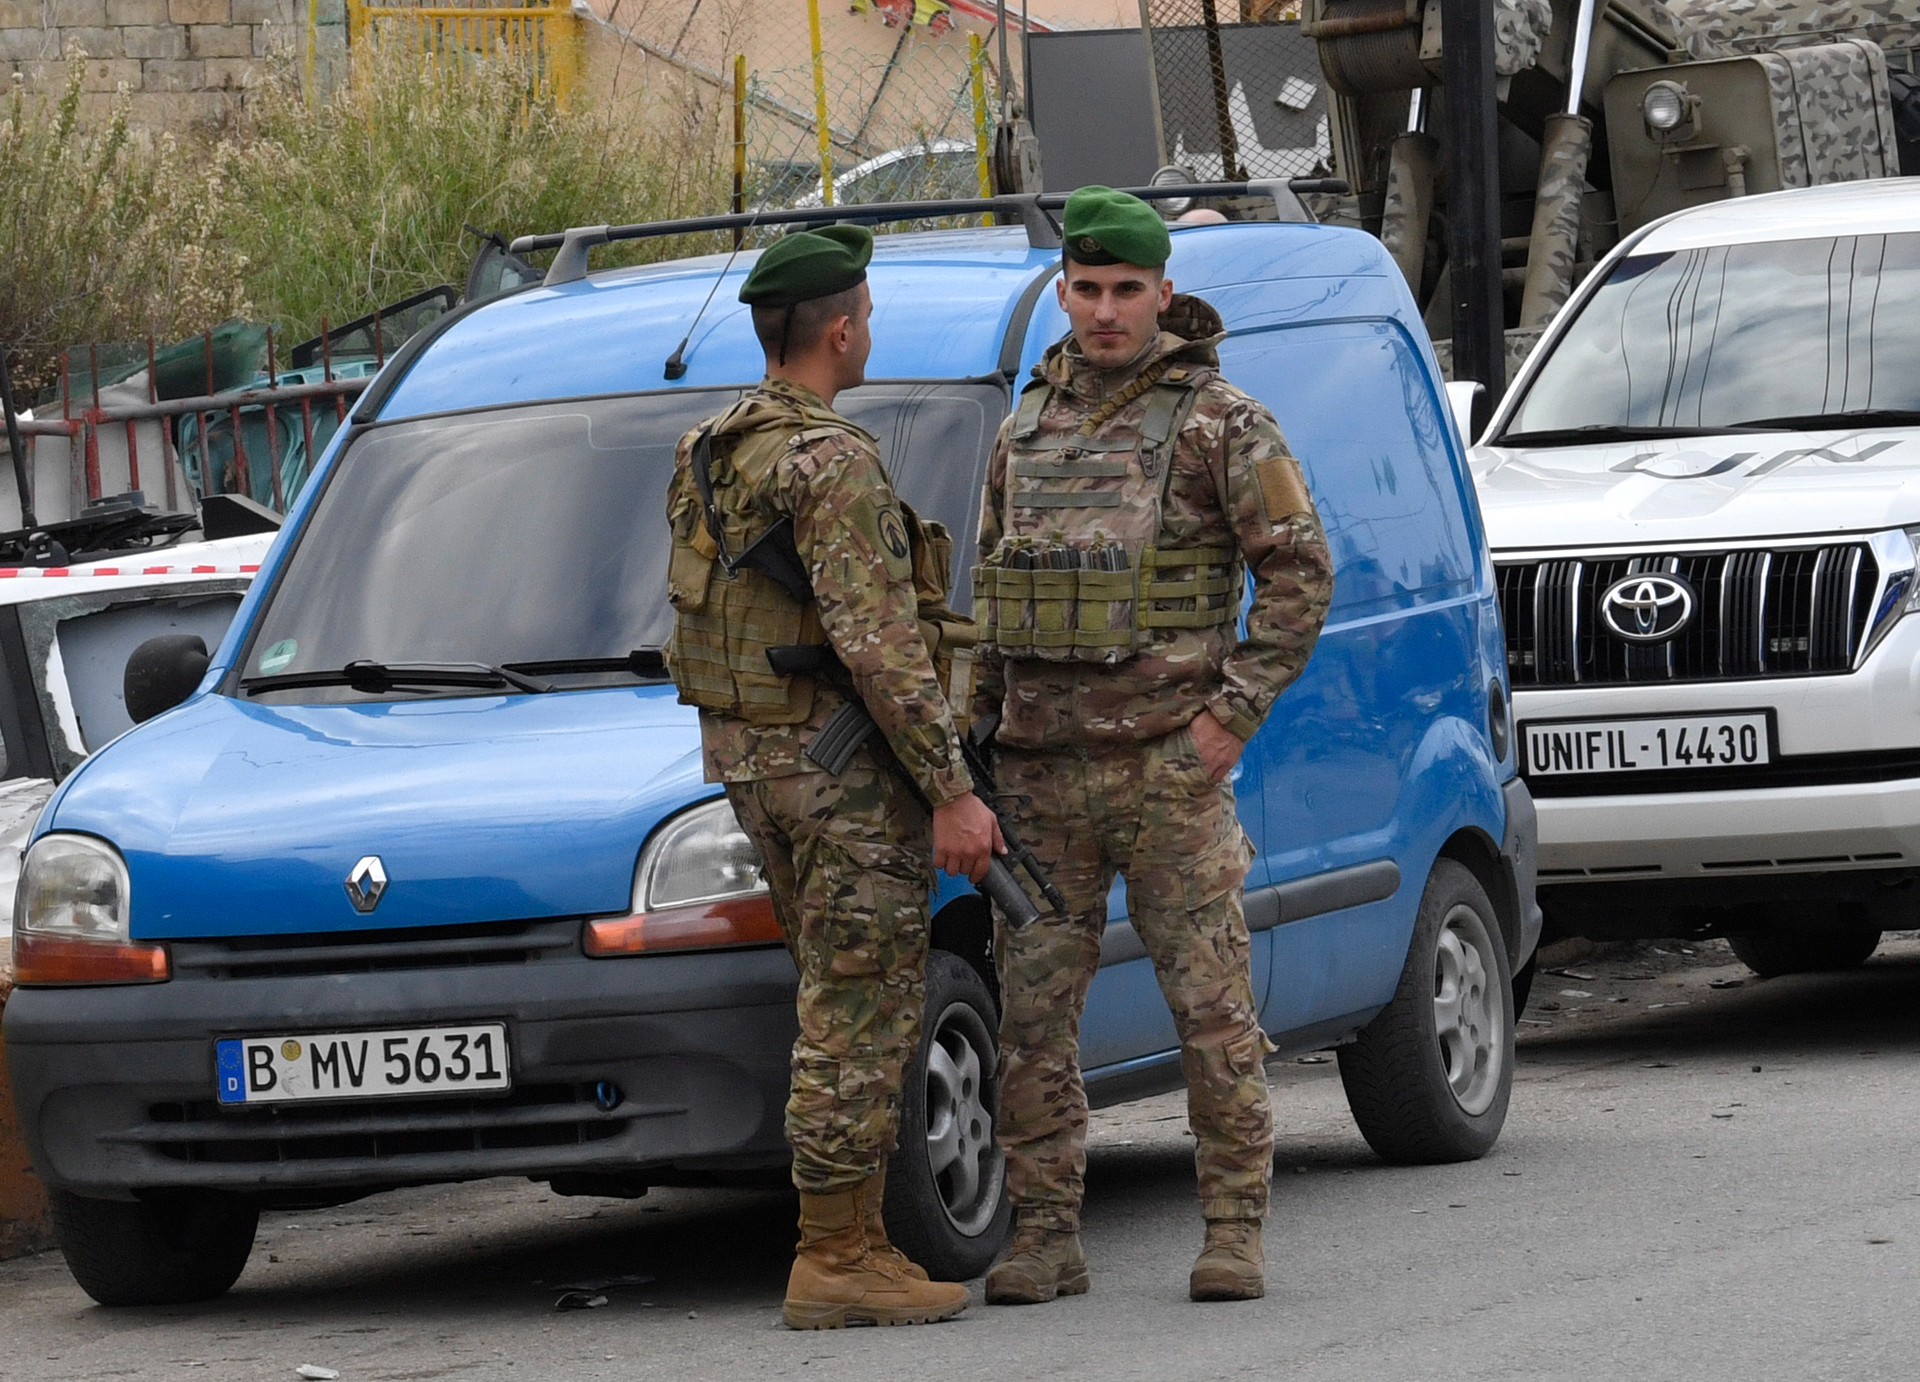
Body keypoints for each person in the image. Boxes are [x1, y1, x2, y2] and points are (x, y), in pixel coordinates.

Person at [972, 187, 1335, 1304]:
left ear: (1164, 292)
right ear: (1063, 292)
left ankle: (1233, 1228)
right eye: (1086, 288)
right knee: (1032, 1022)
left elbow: (1300, 573)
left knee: (1211, 1012)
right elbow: (991, 595)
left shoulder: (1222, 420)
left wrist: (1229, 720)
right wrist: (971, 749)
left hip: (1167, 770)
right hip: (1041, 775)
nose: (1105, 310)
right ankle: (1045, 1234)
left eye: (1126, 289)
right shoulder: (1025, 425)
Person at [664, 224, 1004, 1330]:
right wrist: (952, 789)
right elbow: (881, 646)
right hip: (840, 774)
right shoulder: (832, 460)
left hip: (755, 763)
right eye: (868, 315)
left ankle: (856, 1237)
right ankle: (834, 1254)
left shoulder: (712, 447)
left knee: (835, 992)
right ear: (843, 330)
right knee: (858, 1011)